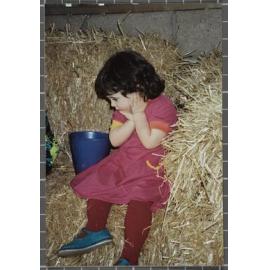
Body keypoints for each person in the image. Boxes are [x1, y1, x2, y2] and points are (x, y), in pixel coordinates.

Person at [58, 50, 177, 265]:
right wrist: (131, 118)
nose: (112, 105)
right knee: (100, 181)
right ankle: (95, 229)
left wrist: (139, 114)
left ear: (135, 89)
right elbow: (114, 141)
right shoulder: (123, 110)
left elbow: (150, 142)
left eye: (114, 99)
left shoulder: (163, 107)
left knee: (139, 202)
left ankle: (129, 258)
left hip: (150, 167)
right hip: (125, 160)